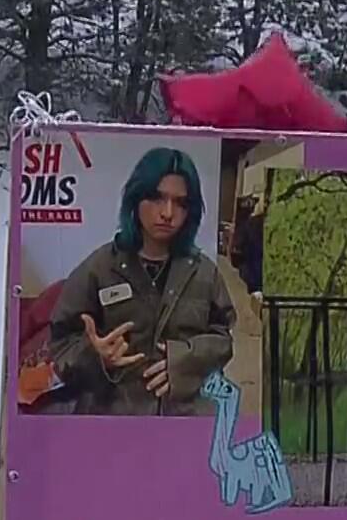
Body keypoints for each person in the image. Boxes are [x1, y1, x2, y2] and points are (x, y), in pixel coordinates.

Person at [44, 146, 235, 416]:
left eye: (180, 203)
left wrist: (184, 362)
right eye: (157, 198)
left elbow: (223, 340)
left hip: (185, 419)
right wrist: (96, 357)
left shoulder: (205, 273)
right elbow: (61, 344)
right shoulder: (99, 268)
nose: (167, 213)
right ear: (136, 198)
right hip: (113, 420)